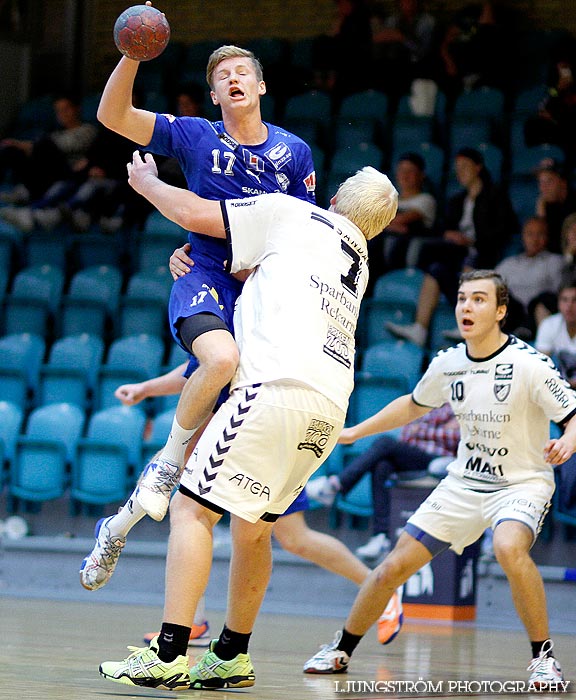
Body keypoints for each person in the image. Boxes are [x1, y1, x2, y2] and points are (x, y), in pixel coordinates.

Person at [98, 154, 398, 691]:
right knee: (255, 529)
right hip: (328, 408)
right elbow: (252, 271)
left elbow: (195, 212)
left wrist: (146, 183)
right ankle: (232, 654)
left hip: (272, 391)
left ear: (331, 199)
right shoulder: (358, 255)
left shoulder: (293, 214)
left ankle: (166, 654)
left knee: (190, 511)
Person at [79, 42, 317, 603]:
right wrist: (132, 55)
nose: (234, 80)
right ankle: (163, 465)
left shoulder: (295, 152)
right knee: (219, 361)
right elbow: (113, 117)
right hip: (206, 278)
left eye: (243, 73)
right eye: (223, 77)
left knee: (238, 516)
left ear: (260, 87)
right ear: (214, 95)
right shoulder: (195, 135)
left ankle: (116, 528)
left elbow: (306, 231)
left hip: (263, 307)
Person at [303, 269, 576, 689]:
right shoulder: (449, 363)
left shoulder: (529, 364)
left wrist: (569, 443)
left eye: (479, 299)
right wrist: (357, 431)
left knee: (507, 547)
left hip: (521, 484)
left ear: (501, 311)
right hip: (463, 483)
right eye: (463, 298)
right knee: (392, 566)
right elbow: (413, 405)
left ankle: (543, 658)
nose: (467, 306)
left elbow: (573, 417)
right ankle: (341, 647)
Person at [112, 366, 402, 648]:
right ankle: (194, 623)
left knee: (290, 537)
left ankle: (379, 588)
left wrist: (146, 389)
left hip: (258, 430)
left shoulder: (252, 326)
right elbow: (198, 365)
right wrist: (146, 388)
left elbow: (212, 362)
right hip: (237, 430)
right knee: (193, 518)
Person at [387, 147, 516, 346]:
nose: (460, 172)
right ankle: (420, 329)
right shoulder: (457, 200)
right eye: (458, 168)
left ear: (478, 167)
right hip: (457, 252)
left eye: (465, 167)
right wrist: (449, 235)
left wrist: (472, 241)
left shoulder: (495, 196)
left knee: (471, 260)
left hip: (484, 253)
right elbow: (442, 227)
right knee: (435, 269)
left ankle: (471, 322)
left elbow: (503, 230)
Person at [307, 403, 459, 561]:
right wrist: (437, 430)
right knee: (382, 466)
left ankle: (334, 485)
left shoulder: (463, 400)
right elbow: (406, 432)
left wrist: (421, 429)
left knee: (385, 443)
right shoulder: (431, 401)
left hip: (441, 460)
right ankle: (381, 537)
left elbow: (456, 436)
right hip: (415, 454)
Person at [0, 92, 97, 230]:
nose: (62, 114)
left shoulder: (88, 130)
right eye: (58, 111)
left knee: (43, 145)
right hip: (47, 174)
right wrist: (19, 146)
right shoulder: (55, 133)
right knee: (10, 150)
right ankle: (24, 191)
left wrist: (26, 145)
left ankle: (28, 199)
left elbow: (63, 146)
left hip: (71, 174)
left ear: (76, 109)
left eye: (66, 109)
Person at [494, 216, 563, 337]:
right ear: (523, 237)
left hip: (540, 316)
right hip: (511, 316)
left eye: (540, 234)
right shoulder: (508, 264)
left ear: (547, 237)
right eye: (530, 234)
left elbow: (560, 295)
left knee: (544, 299)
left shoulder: (556, 262)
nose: (535, 240)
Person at [374, 151, 437, 275]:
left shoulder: (426, 199)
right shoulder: (389, 199)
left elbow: (401, 220)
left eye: (410, 171)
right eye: (401, 170)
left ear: (421, 175)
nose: (405, 175)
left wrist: (383, 223)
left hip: (405, 252)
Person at [535, 280, 576, 386]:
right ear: (558, 303)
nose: (569, 306)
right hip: (559, 390)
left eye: (575, 300)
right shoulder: (549, 324)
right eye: (564, 300)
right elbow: (540, 366)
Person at [535, 158, 576, 254]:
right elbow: (542, 243)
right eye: (540, 182)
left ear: (563, 182)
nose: (543, 188)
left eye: (549, 181)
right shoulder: (547, 204)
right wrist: (541, 214)